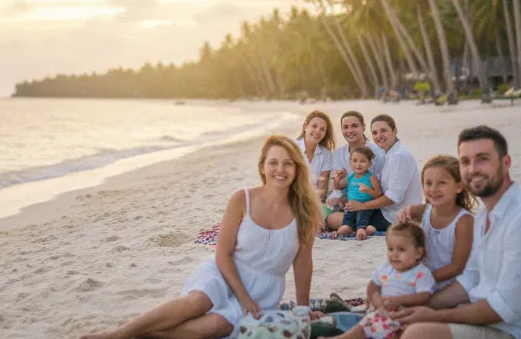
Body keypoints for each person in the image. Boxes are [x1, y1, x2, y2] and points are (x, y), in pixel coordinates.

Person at [81, 136, 321, 339]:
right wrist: (243, 297)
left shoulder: (306, 212)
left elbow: (302, 263)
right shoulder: (242, 199)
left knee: (218, 326)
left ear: (297, 168)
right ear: (262, 167)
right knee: (197, 303)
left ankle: (148, 333)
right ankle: (117, 335)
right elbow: (222, 254)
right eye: (273, 163)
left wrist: (302, 308)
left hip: (263, 290)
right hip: (224, 272)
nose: (280, 170)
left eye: (288, 164)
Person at [391, 126, 521, 339]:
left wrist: (435, 316)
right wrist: (423, 305)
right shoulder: (483, 216)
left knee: (419, 334)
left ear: (506, 163)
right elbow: (470, 279)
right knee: (400, 321)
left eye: (482, 159)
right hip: (490, 323)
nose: (473, 168)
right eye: (465, 161)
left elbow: (504, 308)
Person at [324, 223, 435, 339]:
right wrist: (375, 298)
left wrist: (398, 300)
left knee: (395, 330)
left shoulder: (421, 273)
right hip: (382, 311)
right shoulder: (387, 267)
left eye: (401, 249)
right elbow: (373, 284)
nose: (394, 254)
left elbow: (424, 296)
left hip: (405, 314)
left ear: (418, 253)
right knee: (364, 324)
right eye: (390, 249)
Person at [340, 115, 422, 233]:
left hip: (396, 216)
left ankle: (367, 227)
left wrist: (362, 206)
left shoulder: (399, 156)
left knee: (338, 219)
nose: (379, 136)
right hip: (387, 211)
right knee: (347, 212)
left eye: (383, 130)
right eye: (374, 133)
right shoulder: (390, 153)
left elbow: (392, 198)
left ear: (394, 131)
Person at [418, 154, 475, 292]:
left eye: (442, 183)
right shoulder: (426, 211)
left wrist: (424, 279)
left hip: (455, 283)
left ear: (458, 187)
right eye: (428, 183)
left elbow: (458, 266)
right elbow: (408, 211)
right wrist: (404, 213)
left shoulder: (464, 221)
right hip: (426, 280)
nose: (433, 189)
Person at [321, 111, 385, 231]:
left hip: (370, 203)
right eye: (345, 127)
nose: (350, 131)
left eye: (354, 126)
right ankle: (360, 225)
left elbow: (381, 188)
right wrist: (339, 185)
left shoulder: (376, 153)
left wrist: (362, 202)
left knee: (333, 219)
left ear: (363, 127)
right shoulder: (339, 154)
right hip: (348, 202)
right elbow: (338, 187)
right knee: (328, 216)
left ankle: (362, 224)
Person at [335, 146, 382, 240]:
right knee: (348, 216)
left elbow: (379, 194)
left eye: (363, 161)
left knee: (362, 216)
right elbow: (340, 186)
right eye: (355, 161)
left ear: (369, 164)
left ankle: (361, 228)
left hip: (365, 206)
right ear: (350, 162)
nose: (358, 164)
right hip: (351, 206)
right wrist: (337, 180)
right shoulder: (351, 176)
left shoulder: (370, 177)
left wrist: (368, 190)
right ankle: (347, 227)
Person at [296, 110, 336, 220]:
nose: (318, 131)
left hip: (314, 201)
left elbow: (322, 190)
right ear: (305, 126)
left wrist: (311, 206)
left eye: (322, 129)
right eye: (314, 126)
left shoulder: (326, 154)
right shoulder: (292, 148)